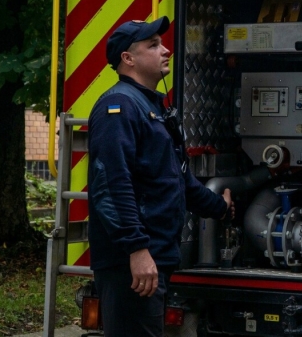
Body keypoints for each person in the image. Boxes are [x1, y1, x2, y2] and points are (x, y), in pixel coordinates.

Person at [87, 17, 234, 337]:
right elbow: (111, 187)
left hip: (155, 258)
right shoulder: (118, 106)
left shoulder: (152, 109)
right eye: (152, 45)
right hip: (130, 263)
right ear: (128, 58)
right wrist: (137, 251)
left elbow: (177, 180)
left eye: (162, 43)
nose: (165, 50)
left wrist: (219, 207)